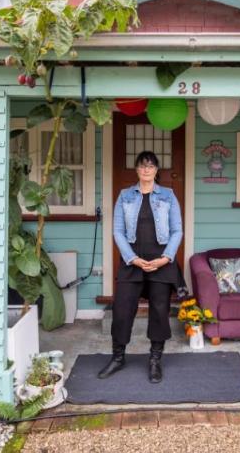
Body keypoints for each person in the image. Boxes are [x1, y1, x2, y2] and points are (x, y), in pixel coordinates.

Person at [98, 151, 184, 383]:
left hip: (161, 261)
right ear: (137, 169)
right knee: (122, 310)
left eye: (151, 166)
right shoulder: (125, 195)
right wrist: (132, 258)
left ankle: (155, 359)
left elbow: (177, 230)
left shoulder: (168, 195)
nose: (146, 170)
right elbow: (118, 231)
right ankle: (118, 357)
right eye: (142, 166)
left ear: (156, 170)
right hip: (132, 261)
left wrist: (166, 258)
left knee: (159, 311)